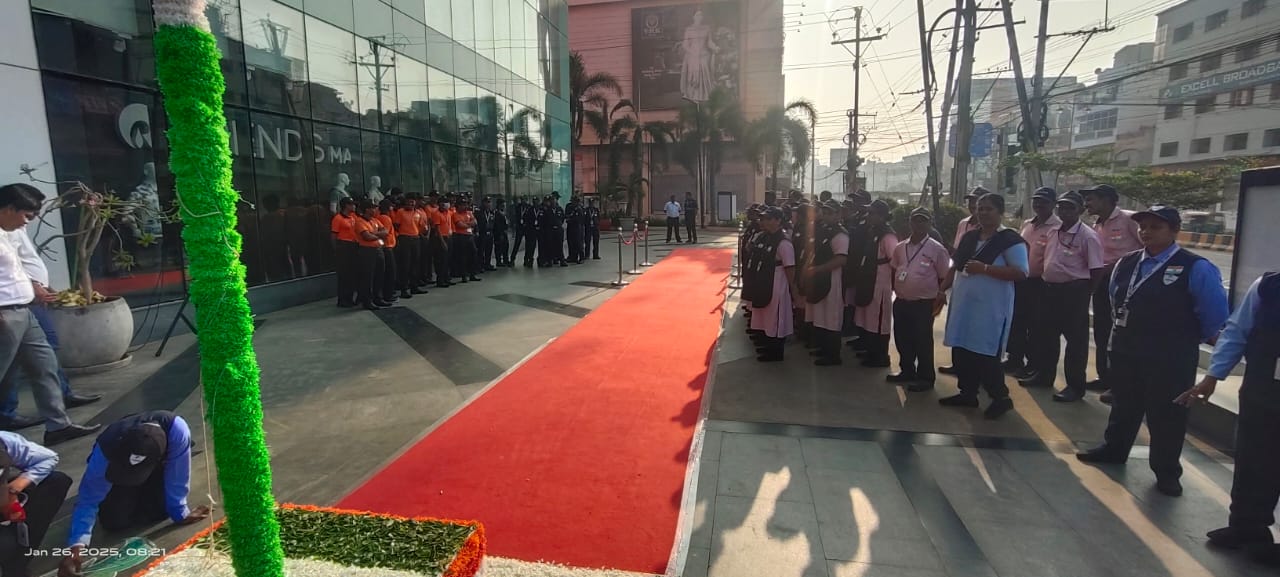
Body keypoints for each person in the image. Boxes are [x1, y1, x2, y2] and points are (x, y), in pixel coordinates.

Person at [1076, 205, 1228, 497]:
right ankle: (1114, 449)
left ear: (1174, 231)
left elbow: (1214, 316)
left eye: (1155, 227)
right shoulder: (1127, 263)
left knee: (1167, 414)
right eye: (1143, 227)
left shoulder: (1195, 267)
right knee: (1124, 405)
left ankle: (1166, 471)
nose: (1146, 232)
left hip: (1170, 357)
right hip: (1128, 351)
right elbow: (1115, 301)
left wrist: (1184, 339)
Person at [1180, 272, 1280, 561]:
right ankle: (1246, 528)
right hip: (1263, 390)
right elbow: (1237, 331)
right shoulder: (1267, 287)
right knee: (1252, 460)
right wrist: (1213, 376)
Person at [0, 184, 100, 447]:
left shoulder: (7, 233)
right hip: (5, 314)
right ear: (8, 209)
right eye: (25, 215)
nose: (27, 222)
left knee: (44, 365)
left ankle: (58, 425)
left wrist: (34, 286)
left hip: (24, 310)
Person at [58, 411, 209, 577]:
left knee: (160, 512)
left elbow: (178, 474)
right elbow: (88, 498)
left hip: (157, 467)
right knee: (114, 522)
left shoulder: (177, 431)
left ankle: (147, 493)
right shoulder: (106, 449)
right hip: (119, 471)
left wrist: (181, 513)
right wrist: (77, 545)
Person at [939, 192, 1028, 420]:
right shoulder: (970, 237)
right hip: (964, 304)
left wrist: (985, 269)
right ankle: (967, 393)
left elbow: (1020, 272)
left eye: (989, 209)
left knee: (985, 354)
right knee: (962, 349)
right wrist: (941, 289)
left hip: (990, 309)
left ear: (1000, 212)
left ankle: (1000, 398)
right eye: (980, 208)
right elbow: (956, 266)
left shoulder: (1009, 240)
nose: (983, 213)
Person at [1020, 191, 1105, 402]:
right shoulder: (1053, 231)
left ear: (1080, 210)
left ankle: (1075, 386)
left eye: (1070, 207)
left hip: (1074, 292)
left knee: (1075, 342)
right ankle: (1044, 375)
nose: (1064, 211)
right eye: (1062, 207)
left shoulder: (1087, 236)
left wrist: (1086, 292)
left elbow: (1097, 269)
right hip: (1049, 289)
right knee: (1046, 336)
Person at [1083, 183, 1142, 402]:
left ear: (1106, 200)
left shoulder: (1129, 219)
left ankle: (1120, 385)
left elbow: (1147, 247)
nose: (1087, 204)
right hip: (1102, 282)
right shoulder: (1097, 224)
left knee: (1122, 334)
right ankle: (1105, 377)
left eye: (1091, 199)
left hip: (1127, 283)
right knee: (1102, 330)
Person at [889, 207, 951, 391]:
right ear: (910, 222)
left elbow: (944, 276)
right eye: (915, 220)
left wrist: (939, 296)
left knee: (922, 340)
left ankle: (925, 377)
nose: (919, 224)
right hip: (902, 301)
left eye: (923, 220)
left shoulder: (937, 249)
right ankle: (907, 370)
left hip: (924, 303)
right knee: (902, 337)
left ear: (930, 223)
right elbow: (895, 269)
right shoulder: (900, 247)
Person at [0, 431, 71, 577]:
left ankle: (16, 567)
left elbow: (48, 458)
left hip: (4, 497)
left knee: (55, 482)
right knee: (5, 545)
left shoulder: (4, 441)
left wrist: (14, 488)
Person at [1006, 187, 1059, 377]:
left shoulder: (1057, 227)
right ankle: (1014, 359)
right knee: (1017, 321)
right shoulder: (1028, 224)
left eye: (1044, 201)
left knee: (1037, 326)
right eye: (1036, 200)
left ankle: (1033, 364)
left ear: (1053, 204)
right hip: (1022, 281)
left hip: (1041, 284)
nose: (1039, 204)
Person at [744, 208, 796, 362]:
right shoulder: (765, 237)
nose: (764, 222)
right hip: (764, 281)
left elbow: (790, 267)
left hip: (777, 283)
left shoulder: (783, 242)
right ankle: (767, 345)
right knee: (766, 315)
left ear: (778, 221)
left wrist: (794, 290)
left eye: (768, 219)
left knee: (775, 317)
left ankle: (776, 352)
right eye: (763, 219)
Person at [802, 201, 849, 366]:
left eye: (831, 213)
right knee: (820, 316)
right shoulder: (823, 230)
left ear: (838, 214)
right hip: (819, 279)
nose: (827, 216)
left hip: (832, 280)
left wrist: (818, 269)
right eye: (825, 212)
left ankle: (833, 355)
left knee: (831, 317)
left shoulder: (840, 235)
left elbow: (841, 259)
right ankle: (823, 348)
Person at [852, 200, 897, 367]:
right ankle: (870, 350)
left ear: (882, 216)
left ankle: (880, 356)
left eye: (872, 213)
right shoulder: (873, 231)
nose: (868, 216)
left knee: (878, 319)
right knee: (867, 317)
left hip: (880, 282)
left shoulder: (888, 236)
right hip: (868, 278)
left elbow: (895, 260)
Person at [352, 201, 390, 310]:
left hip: (378, 249)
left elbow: (385, 232)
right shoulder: (360, 221)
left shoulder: (375, 220)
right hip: (367, 251)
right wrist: (379, 235)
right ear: (367, 209)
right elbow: (367, 237)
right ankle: (367, 301)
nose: (375, 210)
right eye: (372, 208)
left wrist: (374, 234)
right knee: (368, 277)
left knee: (379, 275)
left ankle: (378, 298)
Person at [393, 196, 427, 299]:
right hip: (405, 239)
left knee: (415, 264)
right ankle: (404, 289)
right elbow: (396, 225)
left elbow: (421, 226)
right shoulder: (401, 212)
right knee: (405, 265)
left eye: (412, 202)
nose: (411, 204)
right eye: (409, 202)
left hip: (415, 238)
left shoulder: (418, 213)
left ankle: (414, 287)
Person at [330, 197, 359, 308]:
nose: (354, 206)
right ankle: (342, 299)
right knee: (344, 274)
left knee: (352, 274)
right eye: (352, 204)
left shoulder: (353, 217)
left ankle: (349, 298)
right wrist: (336, 249)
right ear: (346, 205)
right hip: (343, 246)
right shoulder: (338, 218)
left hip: (353, 246)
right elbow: (333, 235)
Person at [375, 200, 399, 304]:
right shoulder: (385, 218)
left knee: (387, 272)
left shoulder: (379, 217)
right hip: (387, 247)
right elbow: (384, 234)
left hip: (385, 247)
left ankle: (387, 294)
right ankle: (388, 294)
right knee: (390, 272)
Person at [452, 199, 481, 283]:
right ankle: (464, 275)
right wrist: (469, 224)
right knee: (463, 256)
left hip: (470, 236)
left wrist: (467, 224)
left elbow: (475, 222)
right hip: (461, 236)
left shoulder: (469, 213)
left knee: (473, 254)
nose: (464, 206)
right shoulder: (455, 214)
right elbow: (460, 225)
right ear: (458, 206)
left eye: (465, 204)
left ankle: (472, 274)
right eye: (462, 205)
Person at [476, 197, 496, 272]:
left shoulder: (491, 212)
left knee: (489, 249)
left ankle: (488, 264)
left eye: (489, 202)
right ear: (483, 203)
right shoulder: (479, 212)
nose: (488, 204)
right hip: (482, 233)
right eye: (487, 202)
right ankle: (480, 265)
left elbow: (493, 222)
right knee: (481, 250)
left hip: (490, 233)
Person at [564, 195, 585, 264]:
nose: (574, 203)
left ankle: (581, 257)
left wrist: (571, 218)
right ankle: (572, 257)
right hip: (570, 226)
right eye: (573, 201)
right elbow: (566, 216)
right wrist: (570, 218)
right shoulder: (569, 207)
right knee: (570, 242)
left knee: (578, 243)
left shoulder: (580, 208)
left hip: (577, 227)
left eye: (575, 201)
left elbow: (580, 218)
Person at [493, 198, 511, 268]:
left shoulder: (503, 212)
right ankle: (499, 261)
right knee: (499, 247)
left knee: (505, 246)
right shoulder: (497, 213)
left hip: (504, 232)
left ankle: (505, 259)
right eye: (503, 205)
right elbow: (497, 224)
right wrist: (500, 233)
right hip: (499, 233)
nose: (504, 206)